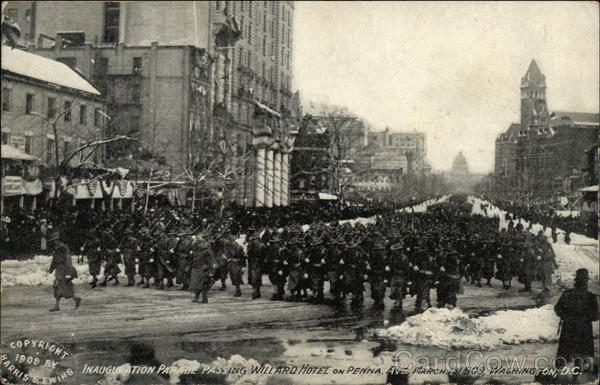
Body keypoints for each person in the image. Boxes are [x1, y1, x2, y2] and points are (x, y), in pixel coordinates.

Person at [554, 268, 599, 373]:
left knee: (564, 357)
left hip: (568, 330)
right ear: (586, 281)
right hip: (584, 331)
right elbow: (596, 316)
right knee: (584, 358)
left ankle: (560, 374)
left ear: (576, 280)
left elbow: (557, 309)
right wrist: (585, 317)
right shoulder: (590, 297)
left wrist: (567, 316)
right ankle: (582, 374)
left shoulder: (568, 294)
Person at [47, 230, 81, 312]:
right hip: (59, 269)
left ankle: (75, 298)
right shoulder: (56, 248)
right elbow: (54, 259)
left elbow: (68, 259)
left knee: (62, 287)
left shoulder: (64, 248)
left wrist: (69, 272)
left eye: (53, 240)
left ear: (57, 240)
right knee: (57, 286)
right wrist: (51, 268)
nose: (53, 242)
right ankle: (58, 305)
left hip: (64, 269)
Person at [190, 235, 216, 304]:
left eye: (199, 242)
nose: (198, 244)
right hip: (196, 269)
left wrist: (212, 272)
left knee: (202, 285)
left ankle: (204, 299)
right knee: (197, 284)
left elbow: (213, 262)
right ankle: (197, 297)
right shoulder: (197, 250)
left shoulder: (207, 251)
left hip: (204, 270)